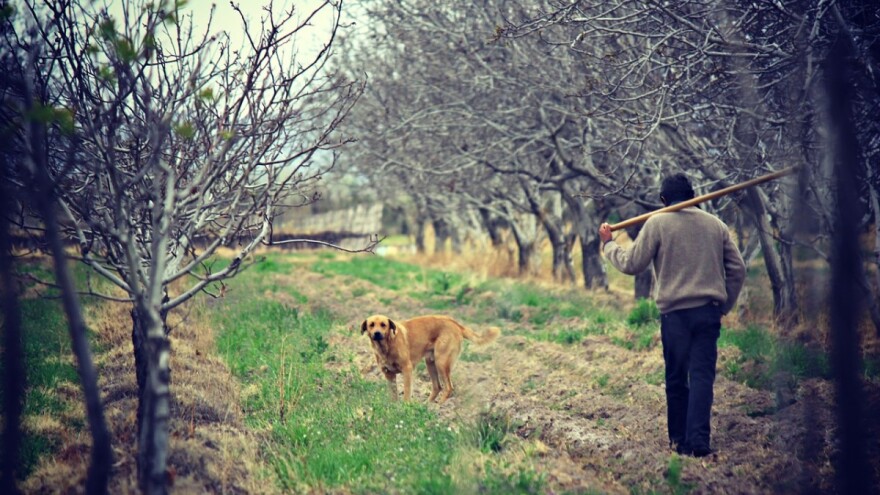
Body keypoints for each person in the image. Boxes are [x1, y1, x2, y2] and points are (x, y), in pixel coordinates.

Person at [598, 173, 746, 458]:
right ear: (692, 195)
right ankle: (699, 441)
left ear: (663, 200)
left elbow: (632, 263)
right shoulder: (716, 225)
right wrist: (723, 306)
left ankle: (679, 442)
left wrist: (608, 244)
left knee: (677, 378)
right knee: (702, 376)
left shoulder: (658, 222)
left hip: (675, 316)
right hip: (707, 313)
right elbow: (738, 269)